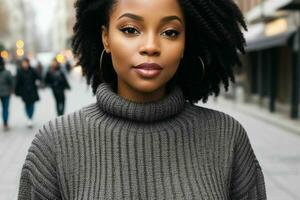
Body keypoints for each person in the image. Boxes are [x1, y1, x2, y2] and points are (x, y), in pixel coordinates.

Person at [18, 0, 266, 199]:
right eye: (130, 30)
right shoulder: (53, 144)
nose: (150, 46)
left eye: (170, 32)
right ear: (106, 38)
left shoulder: (227, 137)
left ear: (185, 43)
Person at [15, 58, 40, 128]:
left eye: (26, 63)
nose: (25, 64)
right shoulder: (19, 71)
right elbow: (17, 82)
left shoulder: (32, 70)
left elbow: (39, 77)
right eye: (23, 63)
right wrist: (16, 91)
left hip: (32, 90)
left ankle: (30, 118)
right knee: (26, 105)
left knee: (32, 104)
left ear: (28, 63)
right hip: (24, 91)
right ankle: (29, 118)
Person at [0, 57, 14, 131]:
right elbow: (11, 82)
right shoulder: (7, 72)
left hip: (5, 93)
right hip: (6, 93)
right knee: (5, 108)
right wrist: (12, 90)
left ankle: (5, 123)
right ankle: (5, 123)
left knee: (5, 108)